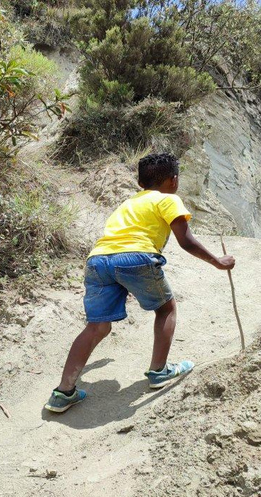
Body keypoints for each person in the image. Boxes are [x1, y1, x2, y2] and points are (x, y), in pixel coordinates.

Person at [45, 153, 236, 413]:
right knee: (166, 309)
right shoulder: (168, 199)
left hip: (97, 260)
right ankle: (159, 371)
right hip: (137, 257)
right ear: (173, 180)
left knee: (97, 327)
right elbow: (186, 241)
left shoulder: (127, 204)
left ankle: (63, 393)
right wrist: (218, 262)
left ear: (140, 182)